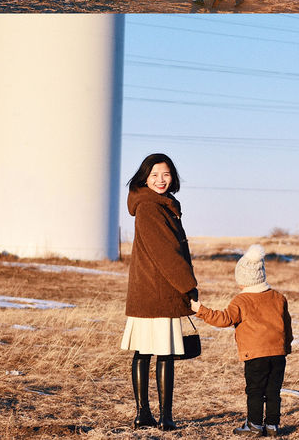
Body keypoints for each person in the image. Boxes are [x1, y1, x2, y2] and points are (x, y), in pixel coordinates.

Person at [121, 153, 198, 431]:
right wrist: (188, 285)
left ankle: (148, 414)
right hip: (159, 290)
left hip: (147, 289)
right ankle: (161, 416)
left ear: (172, 176)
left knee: (145, 352)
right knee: (161, 353)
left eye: (165, 174)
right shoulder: (151, 207)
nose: (160, 180)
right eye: (154, 175)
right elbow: (166, 253)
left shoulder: (160, 204)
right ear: (145, 178)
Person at [191, 244, 292, 437]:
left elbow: (224, 319)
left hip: (255, 355)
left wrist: (200, 310)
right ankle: (272, 425)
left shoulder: (241, 301)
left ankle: (254, 425)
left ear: (244, 280)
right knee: (273, 391)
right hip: (278, 354)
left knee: (255, 390)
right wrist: (285, 347)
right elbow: (287, 325)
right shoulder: (279, 298)